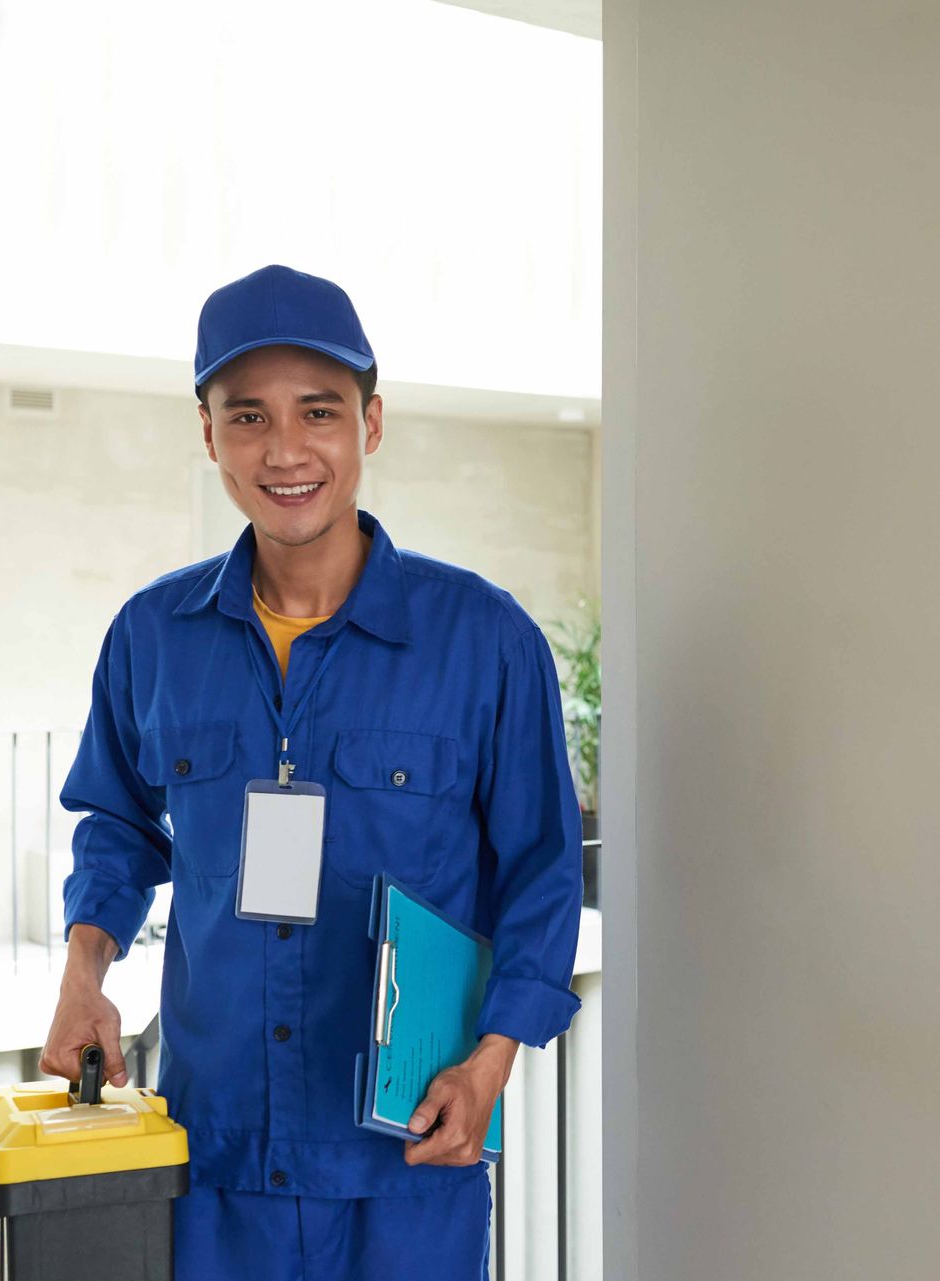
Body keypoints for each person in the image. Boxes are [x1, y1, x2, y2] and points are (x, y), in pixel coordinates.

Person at [39, 264, 584, 1280]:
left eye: (318, 412)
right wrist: (83, 979)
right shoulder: (152, 638)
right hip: (217, 1163)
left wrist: (494, 1062)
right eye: (247, 416)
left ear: (371, 425)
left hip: (409, 1158)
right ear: (208, 435)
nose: (285, 450)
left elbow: (543, 874)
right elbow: (115, 824)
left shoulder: (485, 641)